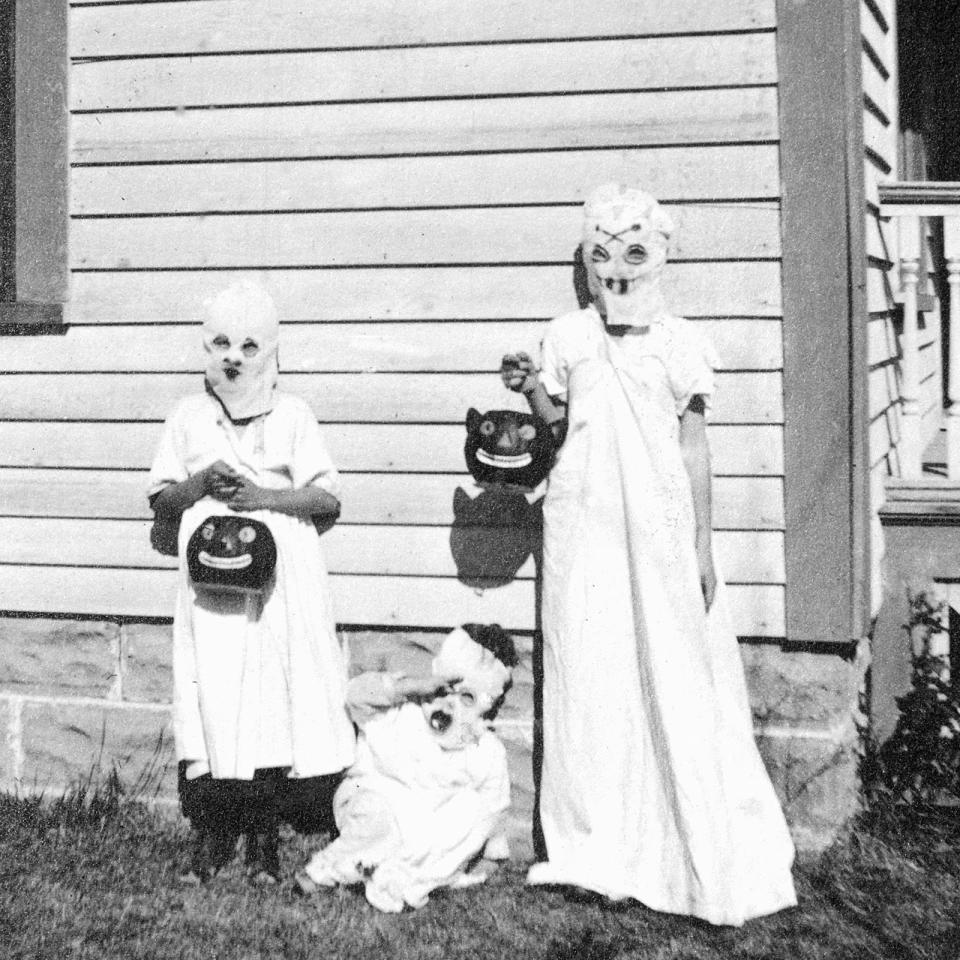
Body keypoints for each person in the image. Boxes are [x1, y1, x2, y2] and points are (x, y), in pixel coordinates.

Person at [500, 184, 797, 926]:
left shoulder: (679, 343)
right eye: (602, 256)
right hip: (585, 529)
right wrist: (531, 386)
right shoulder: (569, 337)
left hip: (660, 530)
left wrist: (701, 541)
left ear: (659, 255)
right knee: (591, 674)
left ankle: (680, 847)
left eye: (634, 253)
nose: (619, 272)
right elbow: (560, 425)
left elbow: (694, 448)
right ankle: (593, 851)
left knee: (675, 669)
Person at [147, 279, 355, 883]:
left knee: (269, 700)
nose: (233, 358)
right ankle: (214, 835)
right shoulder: (188, 416)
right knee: (212, 692)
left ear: (270, 352)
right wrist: (201, 486)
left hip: (278, 584)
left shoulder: (292, 415)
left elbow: (326, 498)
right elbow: (162, 501)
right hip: (211, 587)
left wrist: (261, 495)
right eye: (220, 344)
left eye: (248, 346)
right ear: (204, 350)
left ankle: (262, 837)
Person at [295, 624, 516, 912]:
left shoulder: (484, 750)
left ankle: (401, 877)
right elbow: (355, 696)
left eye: (467, 699)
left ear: (487, 707)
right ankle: (327, 870)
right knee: (380, 822)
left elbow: (492, 807)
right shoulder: (402, 711)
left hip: (425, 829)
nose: (449, 705)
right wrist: (407, 687)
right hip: (374, 796)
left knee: (470, 807)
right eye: (444, 690)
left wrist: (490, 856)